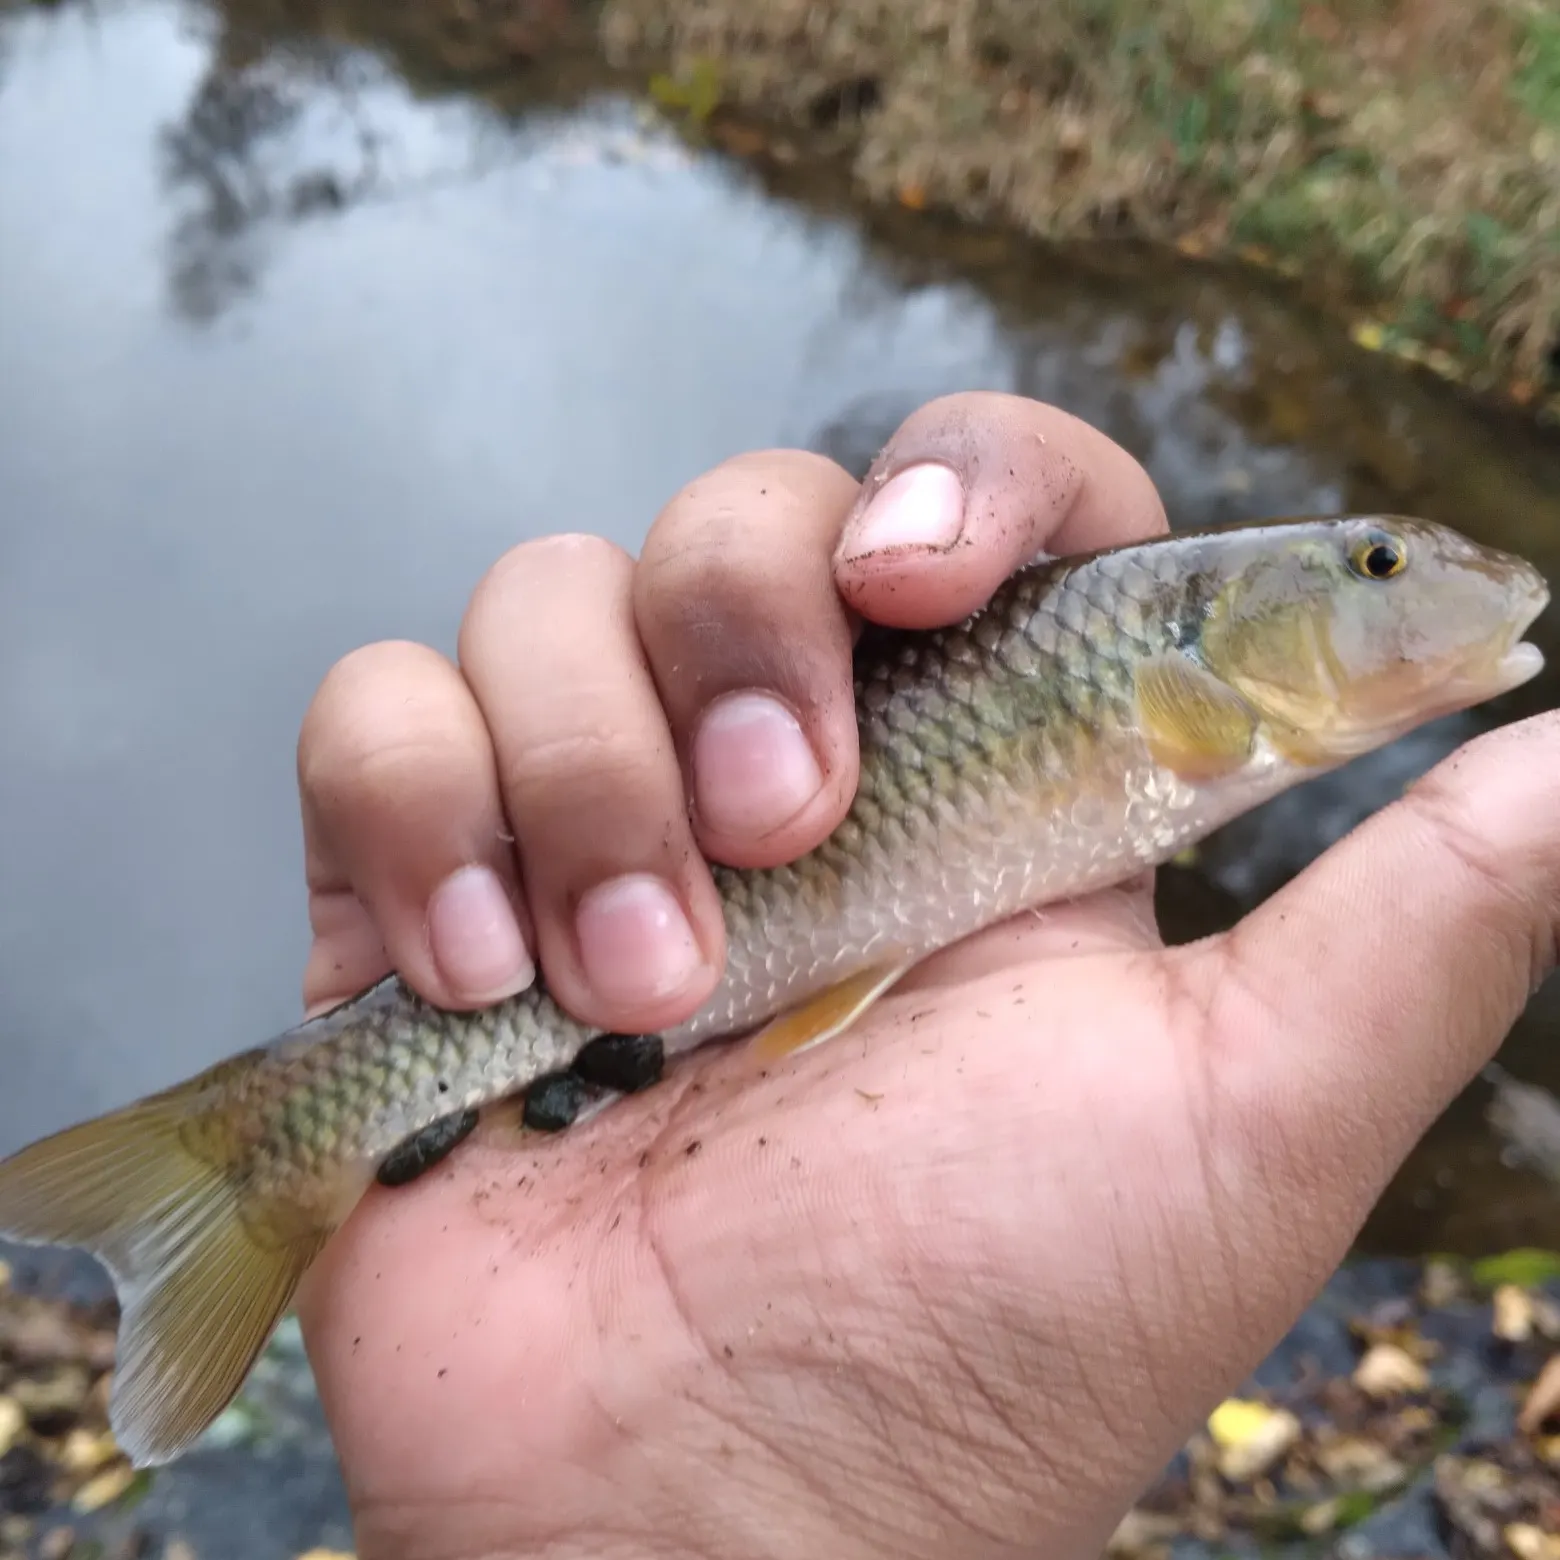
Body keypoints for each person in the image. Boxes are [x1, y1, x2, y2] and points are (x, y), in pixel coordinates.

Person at [290, 393, 1559, 1560]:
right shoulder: (1169, 678)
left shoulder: (1182, 721)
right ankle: (283, 1134)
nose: (1418, 580)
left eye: (1380, 559)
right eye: (1379, 562)